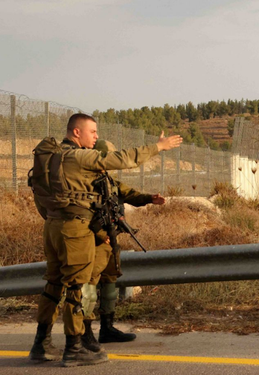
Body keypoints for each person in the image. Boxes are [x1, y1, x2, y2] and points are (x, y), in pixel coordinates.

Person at [28, 113, 182, 367]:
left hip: (54, 226)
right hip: (75, 230)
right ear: (76, 132)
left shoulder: (53, 158)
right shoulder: (78, 157)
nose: (96, 137)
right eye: (93, 132)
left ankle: (40, 343)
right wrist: (158, 147)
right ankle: (74, 348)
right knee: (78, 287)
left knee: (54, 285)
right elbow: (121, 159)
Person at [80, 139, 166, 351]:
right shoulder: (83, 180)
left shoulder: (107, 179)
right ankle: (85, 332)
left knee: (110, 280)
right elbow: (80, 213)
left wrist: (149, 198)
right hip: (94, 240)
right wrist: (100, 234)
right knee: (89, 286)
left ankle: (107, 329)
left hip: (111, 237)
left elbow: (127, 193)